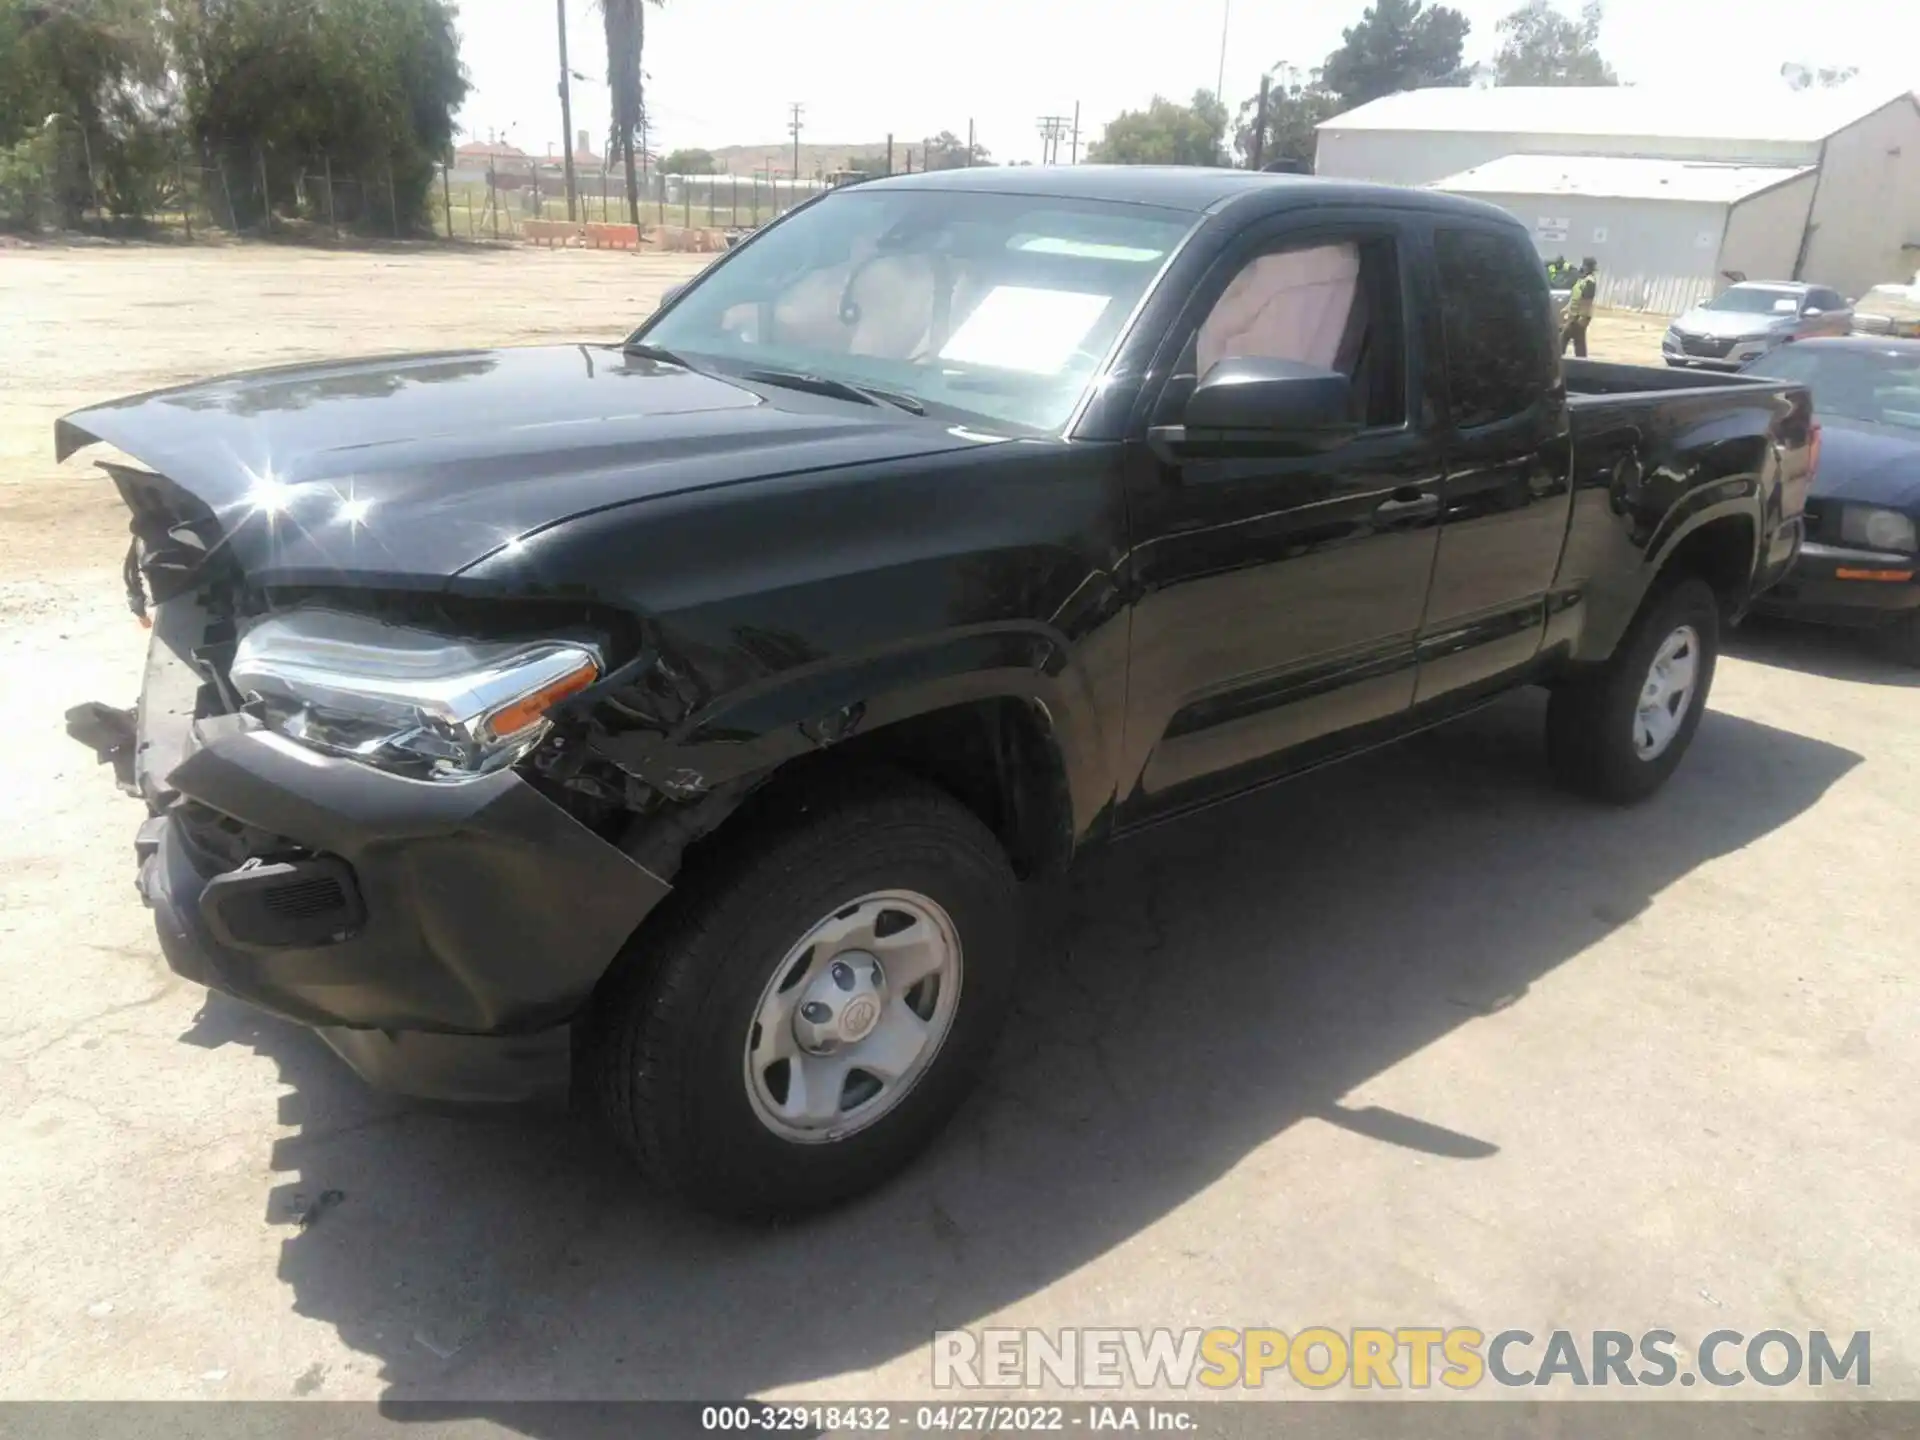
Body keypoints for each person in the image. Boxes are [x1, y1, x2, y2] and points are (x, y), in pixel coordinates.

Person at [1561, 257, 1598, 358]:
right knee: (1578, 342)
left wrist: (1582, 318)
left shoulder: (1590, 282)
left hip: (1579, 317)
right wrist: (1567, 308)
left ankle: (1559, 359)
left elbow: (1587, 301)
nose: (1582, 267)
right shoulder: (1582, 279)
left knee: (1565, 338)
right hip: (1574, 316)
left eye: (1584, 265)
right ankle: (1582, 361)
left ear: (1588, 268)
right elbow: (1575, 296)